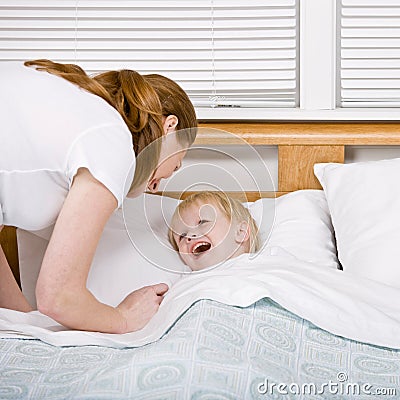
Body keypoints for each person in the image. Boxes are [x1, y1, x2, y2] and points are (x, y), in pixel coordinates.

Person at [0, 59, 197, 333]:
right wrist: (124, 319)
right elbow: (57, 297)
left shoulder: (74, 107)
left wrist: (24, 322)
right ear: (170, 126)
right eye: (177, 163)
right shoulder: (112, 143)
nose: (157, 186)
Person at [169, 191, 261, 271]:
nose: (189, 236)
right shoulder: (183, 283)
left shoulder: (263, 268)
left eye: (203, 222)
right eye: (182, 236)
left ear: (241, 232)